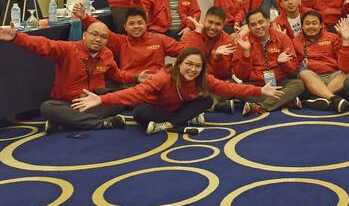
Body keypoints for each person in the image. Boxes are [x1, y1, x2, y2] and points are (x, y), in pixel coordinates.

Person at [72, 48, 281, 134]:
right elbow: (134, 93)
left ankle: (172, 124)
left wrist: (260, 91)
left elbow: (229, 87)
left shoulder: (203, 79)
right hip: (158, 109)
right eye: (188, 64)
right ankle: (182, 122)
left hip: (179, 109)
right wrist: (101, 100)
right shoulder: (163, 78)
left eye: (197, 66)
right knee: (139, 113)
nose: (192, 69)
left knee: (207, 101)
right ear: (179, 63)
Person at [0, 23, 134, 133]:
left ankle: (64, 123)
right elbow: (43, 44)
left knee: (117, 102)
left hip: (92, 103)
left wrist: (137, 77)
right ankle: (103, 123)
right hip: (67, 104)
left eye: (103, 37)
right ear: (84, 35)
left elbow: (116, 75)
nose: (98, 39)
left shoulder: (107, 54)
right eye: (94, 34)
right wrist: (16, 37)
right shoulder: (68, 49)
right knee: (48, 107)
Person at [74, 5, 182, 90]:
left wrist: (195, 33)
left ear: (146, 24)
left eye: (140, 23)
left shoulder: (159, 39)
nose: (136, 26)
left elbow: (184, 51)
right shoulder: (121, 41)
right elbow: (102, 30)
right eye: (131, 24)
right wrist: (85, 18)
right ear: (125, 27)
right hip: (129, 85)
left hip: (156, 84)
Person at [232, 9, 304, 113]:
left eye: (261, 22)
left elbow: (293, 68)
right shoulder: (243, 42)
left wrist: (283, 63)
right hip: (257, 85)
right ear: (248, 27)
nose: (258, 27)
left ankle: (260, 106)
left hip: (279, 82)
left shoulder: (282, 38)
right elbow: (240, 76)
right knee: (238, 89)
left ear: (268, 21)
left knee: (298, 84)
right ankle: (286, 101)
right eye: (253, 24)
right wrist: (246, 54)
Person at [293, 10, 349, 113]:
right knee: (304, 73)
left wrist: (345, 40)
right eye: (307, 23)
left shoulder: (332, 37)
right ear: (302, 26)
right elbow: (292, 66)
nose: (311, 26)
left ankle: (320, 97)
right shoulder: (295, 41)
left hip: (334, 76)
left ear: (321, 25)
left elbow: (345, 66)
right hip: (312, 78)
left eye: (314, 23)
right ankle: (334, 99)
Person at [181, 7, 238, 111]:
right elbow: (186, 61)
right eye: (210, 22)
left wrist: (218, 58)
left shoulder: (228, 41)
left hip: (216, 82)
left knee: (230, 85)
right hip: (193, 80)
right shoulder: (191, 35)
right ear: (203, 21)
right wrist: (197, 35)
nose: (212, 27)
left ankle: (206, 104)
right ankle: (217, 105)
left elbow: (223, 74)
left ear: (223, 25)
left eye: (218, 24)